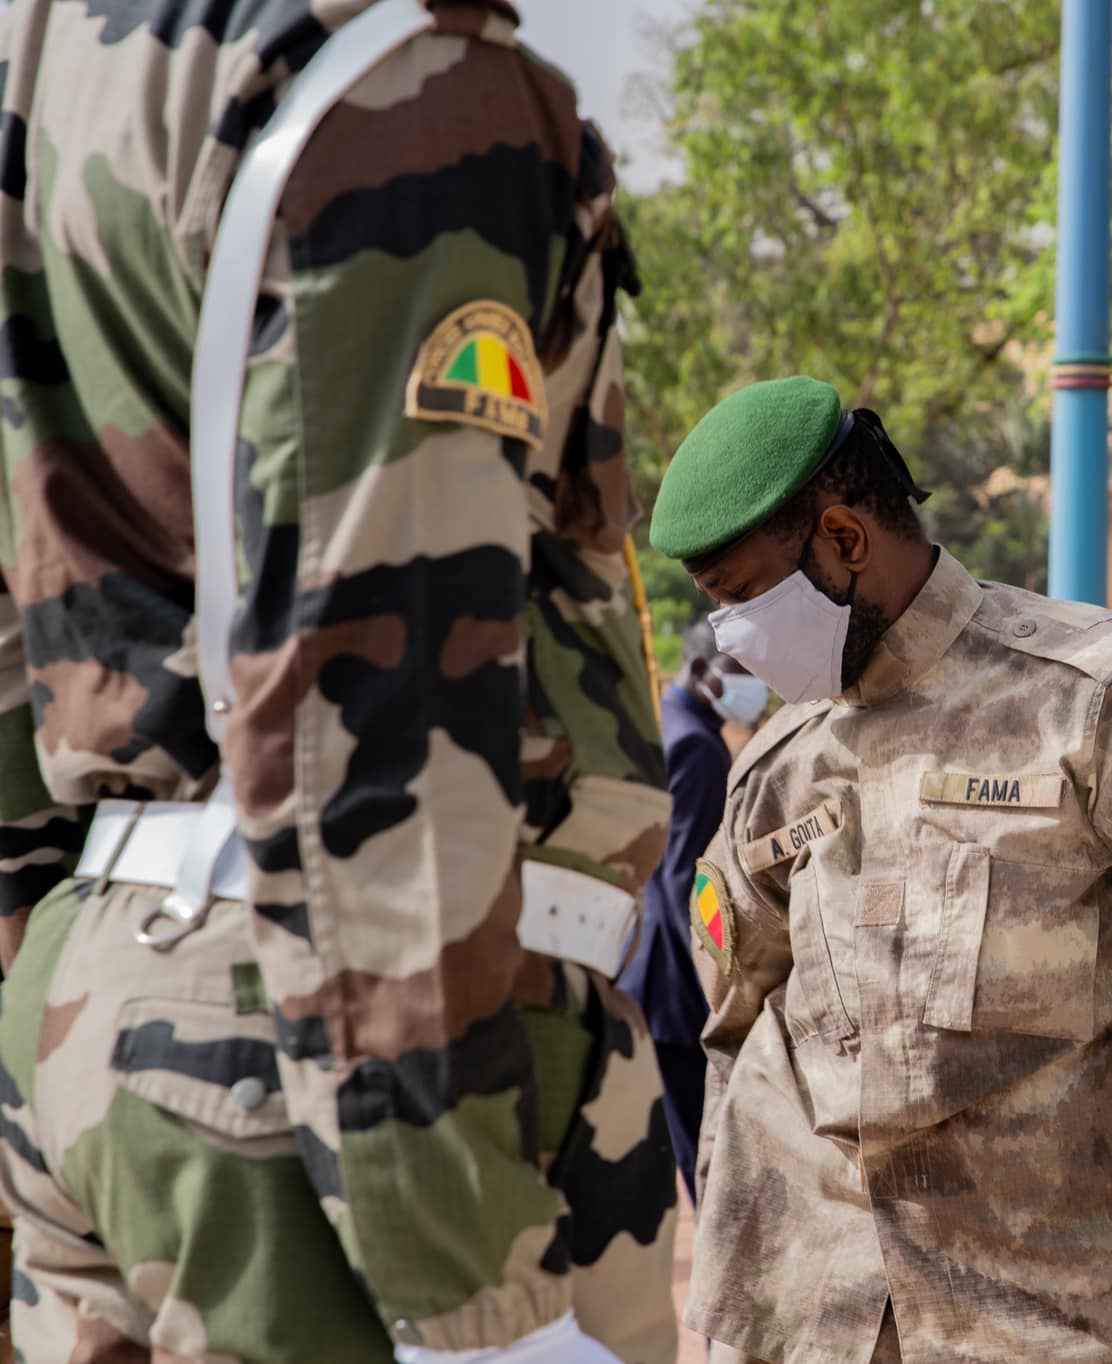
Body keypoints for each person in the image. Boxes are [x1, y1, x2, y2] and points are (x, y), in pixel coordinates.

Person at [0, 2, 678, 1359]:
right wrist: (471, 1301)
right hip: (355, 1096)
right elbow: (380, 708)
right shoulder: (408, 75)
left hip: (93, 1021)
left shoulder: (50, 50)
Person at [647, 375, 1112, 1363]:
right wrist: (728, 1321)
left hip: (1044, 1327)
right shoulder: (776, 767)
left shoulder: (1106, 704)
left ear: (842, 539)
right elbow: (740, 1042)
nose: (730, 637)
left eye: (744, 596)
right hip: (806, 1327)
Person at [620, 621, 768, 1201]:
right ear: (704, 672)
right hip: (678, 985)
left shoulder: (673, 722)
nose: (755, 689)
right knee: (707, 1159)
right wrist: (716, 991)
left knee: (691, 1148)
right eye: (744, 675)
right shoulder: (697, 747)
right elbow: (688, 880)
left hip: (654, 974)